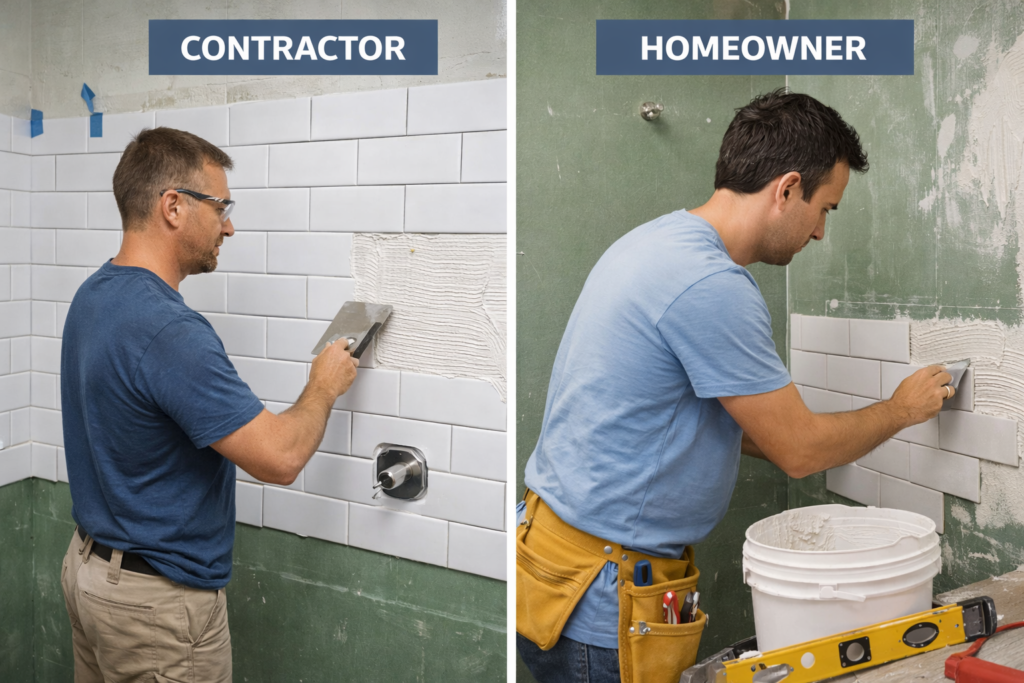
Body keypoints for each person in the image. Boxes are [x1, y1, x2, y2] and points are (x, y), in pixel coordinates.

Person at [516, 88, 955, 683]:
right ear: (788, 189)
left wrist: (808, 432)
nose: (822, 232)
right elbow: (798, 451)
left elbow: (705, 420)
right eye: (827, 208)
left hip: (553, 567)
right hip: (601, 604)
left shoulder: (656, 242)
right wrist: (900, 411)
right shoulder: (711, 284)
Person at [59, 127, 359, 682]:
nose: (229, 224)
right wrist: (324, 384)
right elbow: (280, 458)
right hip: (154, 609)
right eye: (220, 206)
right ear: (173, 206)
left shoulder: (94, 295)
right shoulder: (169, 329)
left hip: (90, 573)